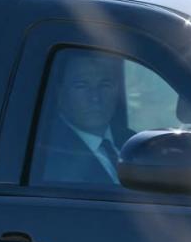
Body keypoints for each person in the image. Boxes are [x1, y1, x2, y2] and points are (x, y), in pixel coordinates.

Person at [37, 50, 133, 186]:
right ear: (60, 93)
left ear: (117, 90)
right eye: (81, 86)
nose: (95, 98)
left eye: (105, 85)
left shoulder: (132, 142)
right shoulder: (45, 155)